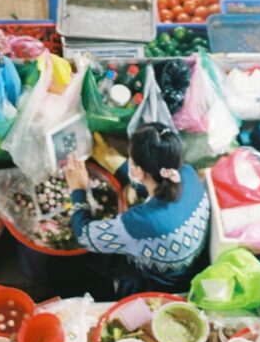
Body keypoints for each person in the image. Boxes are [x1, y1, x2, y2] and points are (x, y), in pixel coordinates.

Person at [63, 124, 209, 296]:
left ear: (139, 171)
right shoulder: (187, 173)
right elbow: (158, 186)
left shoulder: (144, 221)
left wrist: (77, 190)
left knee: (71, 263)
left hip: (159, 283)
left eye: (130, 159)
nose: (128, 161)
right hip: (188, 267)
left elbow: (83, 236)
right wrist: (119, 167)